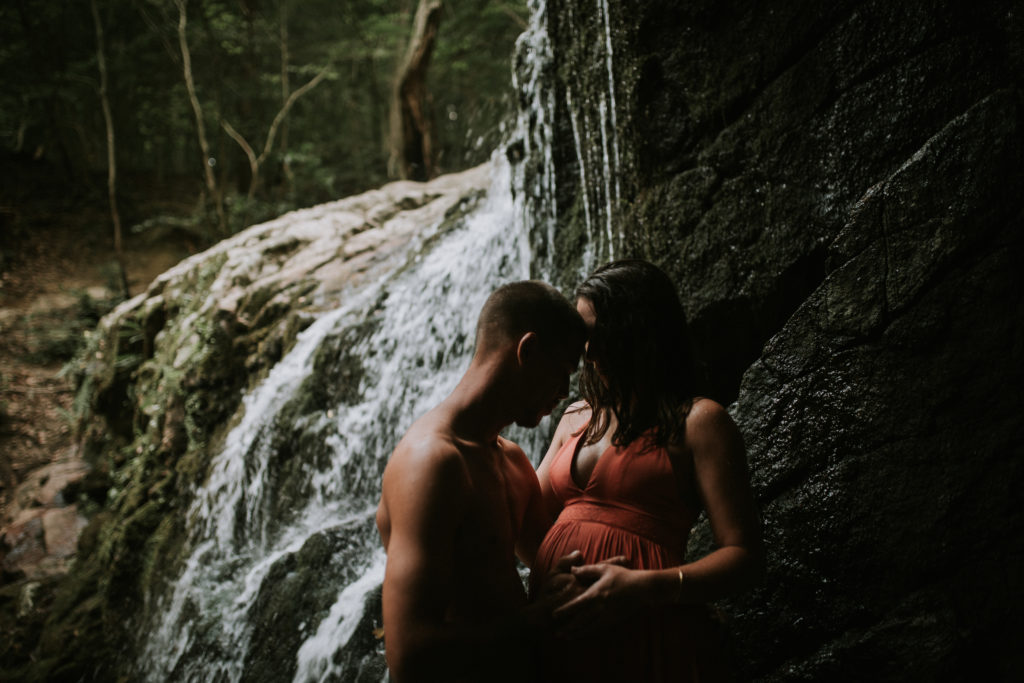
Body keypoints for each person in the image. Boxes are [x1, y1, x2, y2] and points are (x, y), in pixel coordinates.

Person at [529, 259, 764, 683]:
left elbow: (745, 556)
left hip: (649, 628)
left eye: (602, 335)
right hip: (560, 631)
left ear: (641, 331)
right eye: (585, 337)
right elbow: (529, 522)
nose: (589, 351)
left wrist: (648, 587)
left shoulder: (699, 421)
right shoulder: (575, 418)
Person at [376, 280, 587, 683]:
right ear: (527, 351)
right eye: (562, 373)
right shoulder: (433, 463)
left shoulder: (510, 459)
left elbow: (553, 563)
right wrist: (534, 621)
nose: (564, 393)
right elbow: (408, 657)